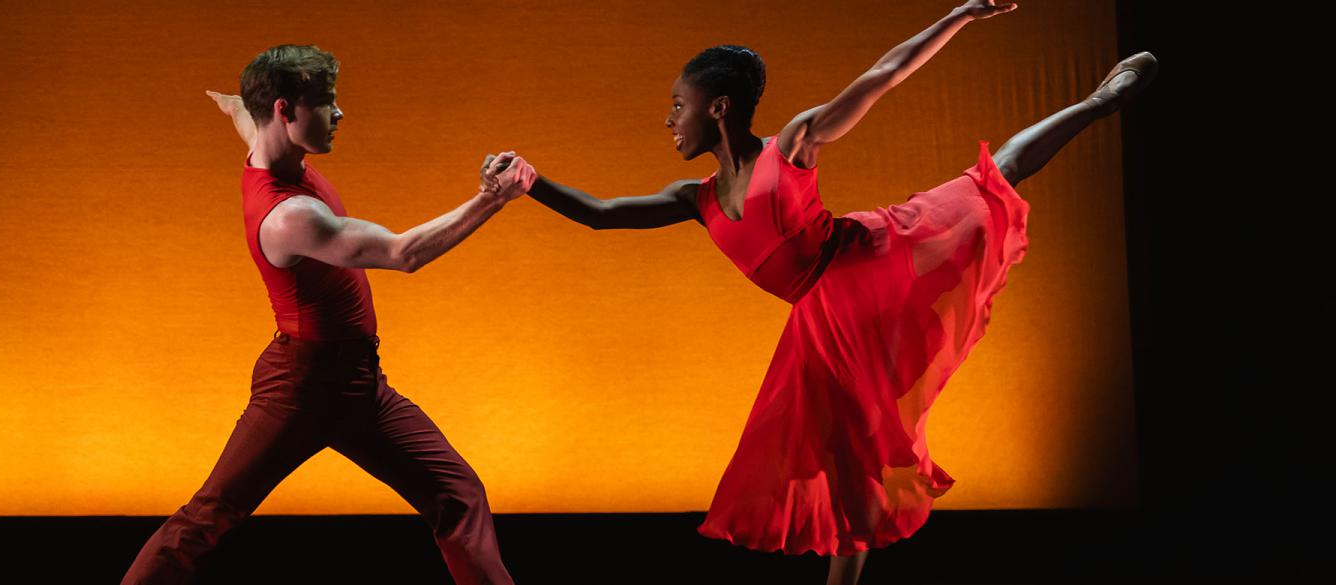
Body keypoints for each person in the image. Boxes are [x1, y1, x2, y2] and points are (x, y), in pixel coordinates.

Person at [485, 2, 1156, 582]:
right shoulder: (694, 200)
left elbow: (881, 77)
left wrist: (959, 14)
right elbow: (601, 214)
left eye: (677, 106)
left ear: (718, 108)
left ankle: (1102, 100)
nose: (669, 120)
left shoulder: (792, 146)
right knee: (848, 468)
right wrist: (529, 181)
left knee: (994, 180)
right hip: (822, 327)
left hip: (870, 263)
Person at [121, 44, 535, 585]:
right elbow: (402, 254)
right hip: (300, 388)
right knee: (209, 516)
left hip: (358, 383)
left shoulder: (267, 144)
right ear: (285, 111)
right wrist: (490, 198)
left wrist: (231, 104)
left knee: (457, 495)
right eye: (327, 103)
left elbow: (246, 117)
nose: (340, 115)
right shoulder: (290, 215)